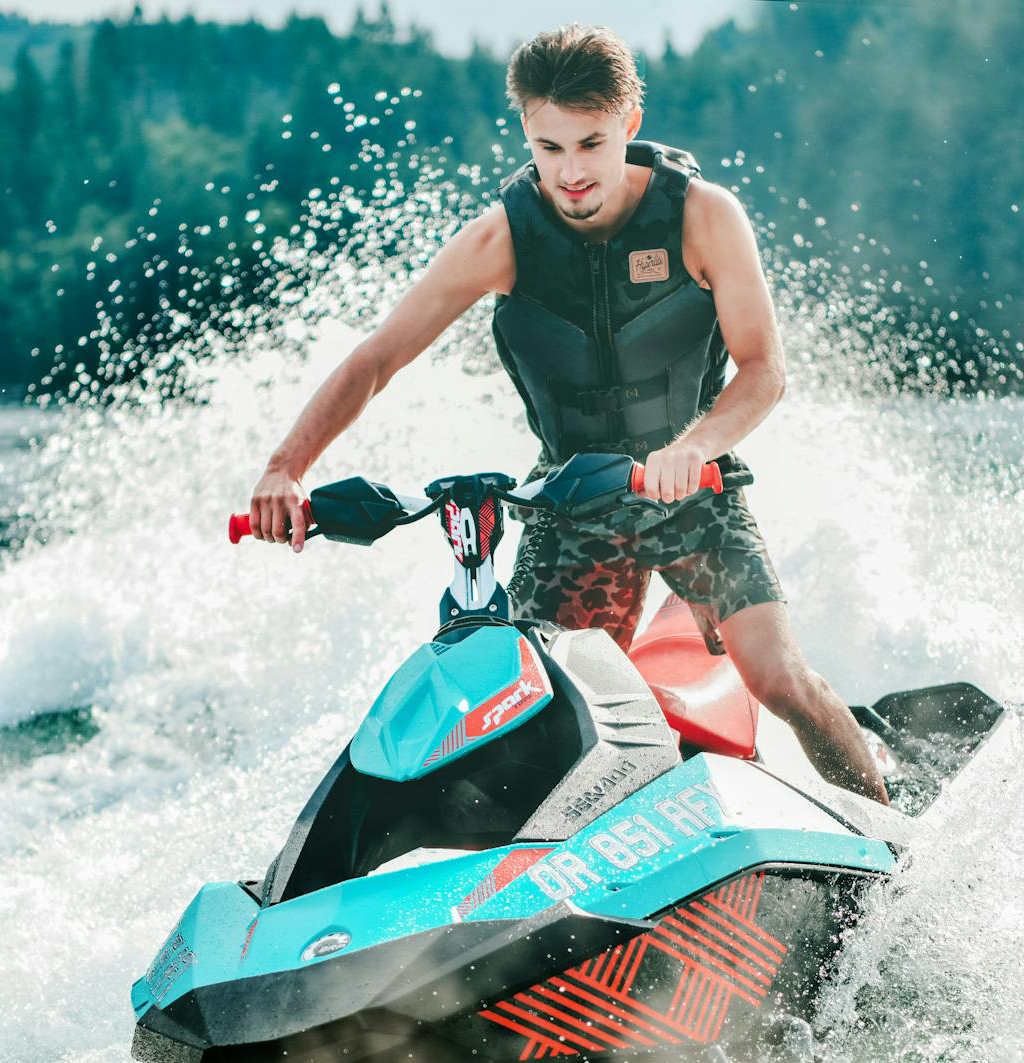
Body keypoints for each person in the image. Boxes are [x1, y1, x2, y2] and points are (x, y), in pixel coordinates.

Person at [246, 23, 889, 804]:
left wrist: (696, 447)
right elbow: (377, 357)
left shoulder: (703, 216)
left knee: (778, 676)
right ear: (526, 132)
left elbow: (764, 368)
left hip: (693, 489)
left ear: (629, 124)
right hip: (571, 502)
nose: (572, 172)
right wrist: (286, 466)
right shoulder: (501, 239)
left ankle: (891, 837)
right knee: (534, 721)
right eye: (549, 148)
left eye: (591, 144)